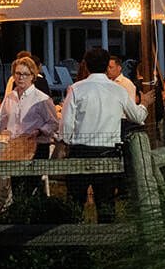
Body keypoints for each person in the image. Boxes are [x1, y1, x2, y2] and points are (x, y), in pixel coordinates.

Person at [58, 47, 148, 223]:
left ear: (86, 65)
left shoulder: (76, 89)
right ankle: (107, 243)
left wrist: (67, 141)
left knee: (75, 202)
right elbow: (137, 117)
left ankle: (72, 242)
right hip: (108, 152)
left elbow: (66, 123)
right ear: (107, 66)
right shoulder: (118, 90)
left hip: (80, 151)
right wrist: (144, 104)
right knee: (106, 203)